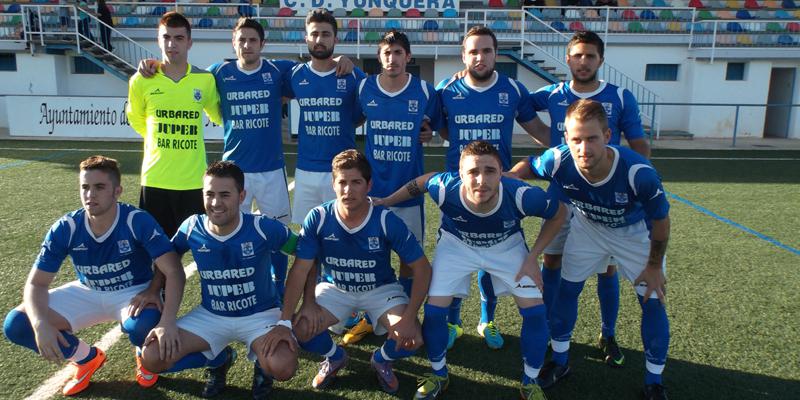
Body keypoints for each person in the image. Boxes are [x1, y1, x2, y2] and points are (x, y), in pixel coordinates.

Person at [373, 140, 565, 400]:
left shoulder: (522, 194)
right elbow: (422, 182)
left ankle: (530, 382)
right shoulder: (445, 188)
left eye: (490, 171)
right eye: (473, 172)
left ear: (502, 172)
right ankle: (439, 374)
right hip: (457, 245)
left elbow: (558, 213)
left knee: (535, 312)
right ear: (460, 174)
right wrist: (387, 200)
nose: (481, 180)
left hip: (506, 246)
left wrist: (534, 256)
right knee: (435, 311)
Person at [512, 99, 671, 400]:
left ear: (608, 136)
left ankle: (654, 381)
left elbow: (661, 223)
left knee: (652, 300)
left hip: (635, 234)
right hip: (589, 228)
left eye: (592, 138)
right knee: (568, 289)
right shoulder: (558, 159)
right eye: (576, 139)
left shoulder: (638, 172)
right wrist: (508, 177)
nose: (583, 148)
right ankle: (560, 361)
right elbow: (529, 165)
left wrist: (653, 266)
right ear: (566, 138)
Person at [2, 155, 186, 396]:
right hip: (88, 289)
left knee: (143, 325)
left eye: (99, 187)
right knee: (17, 324)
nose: (90, 194)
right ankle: (86, 358)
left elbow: (173, 270)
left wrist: (163, 312)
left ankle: (143, 355)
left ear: (117, 191)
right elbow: (36, 284)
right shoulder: (67, 227)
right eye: (85, 187)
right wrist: (40, 324)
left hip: (132, 293)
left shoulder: (135, 220)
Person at [525, 30, 652, 368]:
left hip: (602, 197)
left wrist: (640, 179)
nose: (583, 62)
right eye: (577, 56)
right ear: (567, 59)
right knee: (552, 262)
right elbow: (519, 106)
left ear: (600, 60)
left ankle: (608, 333)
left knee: (607, 269)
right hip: (562, 193)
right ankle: (552, 330)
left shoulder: (620, 96)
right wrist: (545, 139)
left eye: (590, 56)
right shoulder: (552, 93)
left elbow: (639, 144)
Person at [263, 149, 432, 395]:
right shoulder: (319, 217)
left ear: (369, 185)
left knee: (412, 338)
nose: (348, 190)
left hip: (380, 289)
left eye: (356, 182)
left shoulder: (385, 220)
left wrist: (409, 317)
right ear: (333, 184)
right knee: (300, 329)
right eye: (342, 182)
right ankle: (335, 357)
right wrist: (292, 315)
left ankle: (381, 359)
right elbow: (300, 270)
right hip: (336, 288)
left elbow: (423, 269)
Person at [139, 161, 299, 400]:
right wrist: (155, 294)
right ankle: (220, 359)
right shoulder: (191, 227)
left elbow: (306, 255)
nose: (215, 203)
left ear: (241, 196)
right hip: (211, 315)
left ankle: (262, 366)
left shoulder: (262, 227)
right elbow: (168, 259)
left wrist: (289, 317)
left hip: (260, 315)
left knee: (283, 366)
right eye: (209, 194)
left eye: (225, 195)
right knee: (152, 357)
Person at [437, 26, 548, 350]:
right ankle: (453, 322)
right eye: (473, 51)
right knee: (457, 258)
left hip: (499, 191)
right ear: (463, 55)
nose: (480, 57)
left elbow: (539, 130)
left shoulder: (512, 89)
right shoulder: (446, 89)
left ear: (496, 54)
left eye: (486, 51)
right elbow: (438, 127)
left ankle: (487, 320)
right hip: (458, 191)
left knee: (490, 254)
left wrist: (571, 150)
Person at [343, 29, 441, 344]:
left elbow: (436, 126)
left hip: (409, 192)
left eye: (398, 52)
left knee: (409, 261)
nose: (392, 58)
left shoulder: (424, 91)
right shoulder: (365, 87)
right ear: (379, 57)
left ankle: (405, 314)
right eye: (387, 52)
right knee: (371, 256)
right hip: (371, 193)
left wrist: (428, 132)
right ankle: (370, 317)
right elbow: (354, 119)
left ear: (408, 57)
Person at [126, 11, 222, 239]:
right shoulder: (141, 80)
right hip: (156, 180)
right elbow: (136, 119)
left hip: (194, 181)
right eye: (166, 37)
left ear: (189, 42)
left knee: (201, 248)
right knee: (157, 251)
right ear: (158, 41)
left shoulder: (205, 80)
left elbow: (218, 117)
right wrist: (157, 139)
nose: (172, 44)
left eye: (179, 38)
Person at [288, 8, 366, 228]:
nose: (319, 40)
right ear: (306, 38)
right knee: (307, 234)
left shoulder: (353, 75)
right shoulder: (295, 74)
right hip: (306, 170)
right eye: (314, 34)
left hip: (343, 171)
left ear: (335, 39)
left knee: (343, 231)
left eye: (325, 34)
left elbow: (361, 115)